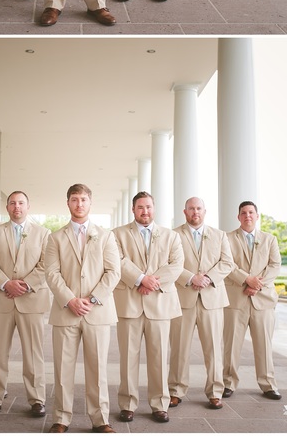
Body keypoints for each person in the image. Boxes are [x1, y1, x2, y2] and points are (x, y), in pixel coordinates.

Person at [45, 183, 121, 433]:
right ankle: (61, 418)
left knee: (98, 369)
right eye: (74, 199)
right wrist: (70, 299)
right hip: (66, 311)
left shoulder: (106, 235)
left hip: (96, 312)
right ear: (68, 203)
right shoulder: (55, 237)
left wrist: (93, 298)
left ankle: (100, 419)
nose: (79, 204)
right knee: (62, 368)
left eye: (84, 200)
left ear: (90, 203)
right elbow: (52, 273)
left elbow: (113, 272)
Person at [112, 192, 183, 424]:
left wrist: (151, 282)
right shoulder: (118, 234)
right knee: (128, 358)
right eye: (140, 207)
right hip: (129, 304)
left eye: (149, 207)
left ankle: (159, 404)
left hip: (160, 305)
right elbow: (117, 261)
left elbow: (176, 265)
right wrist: (141, 278)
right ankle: (127, 404)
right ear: (133, 209)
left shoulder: (171, 236)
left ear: (155, 208)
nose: (145, 212)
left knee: (159, 357)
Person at [0, 191, 51, 419]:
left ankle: (37, 399)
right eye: (12, 203)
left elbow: (46, 264)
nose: (16, 207)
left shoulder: (43, 233)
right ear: (7, 207)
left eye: (21, 203)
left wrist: (25, 285)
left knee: (33, 354)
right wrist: (5, 284)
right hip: (0, 300)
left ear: (28, 206)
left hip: (31, 301)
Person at [168, 196, 234, 410]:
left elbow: (227, 263)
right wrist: (190, 278)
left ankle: (215, 391)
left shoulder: (219, 235)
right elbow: (169, 263)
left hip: (212, 299)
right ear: (184, 211)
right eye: (191, 209)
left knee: (214, 348)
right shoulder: (173, 235)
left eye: (199, 208)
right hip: (182, 299)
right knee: (179, 347)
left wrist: (207, 278)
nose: (195, 212)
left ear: (205, 211)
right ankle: (176, 390)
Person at [223, 201, 282, 400]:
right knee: (231, 345)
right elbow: (227, 265)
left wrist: (257, 284)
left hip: (263, 300)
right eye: (243, 213)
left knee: (264, 344)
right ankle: (228, 383)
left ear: (257, 216)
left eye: (251, 212)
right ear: (238, 217)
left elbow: (275, 265)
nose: (247, 215)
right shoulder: (227, 238)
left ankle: (268, 384)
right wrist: (246, 279)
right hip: (235, 300)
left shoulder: (270, 239)